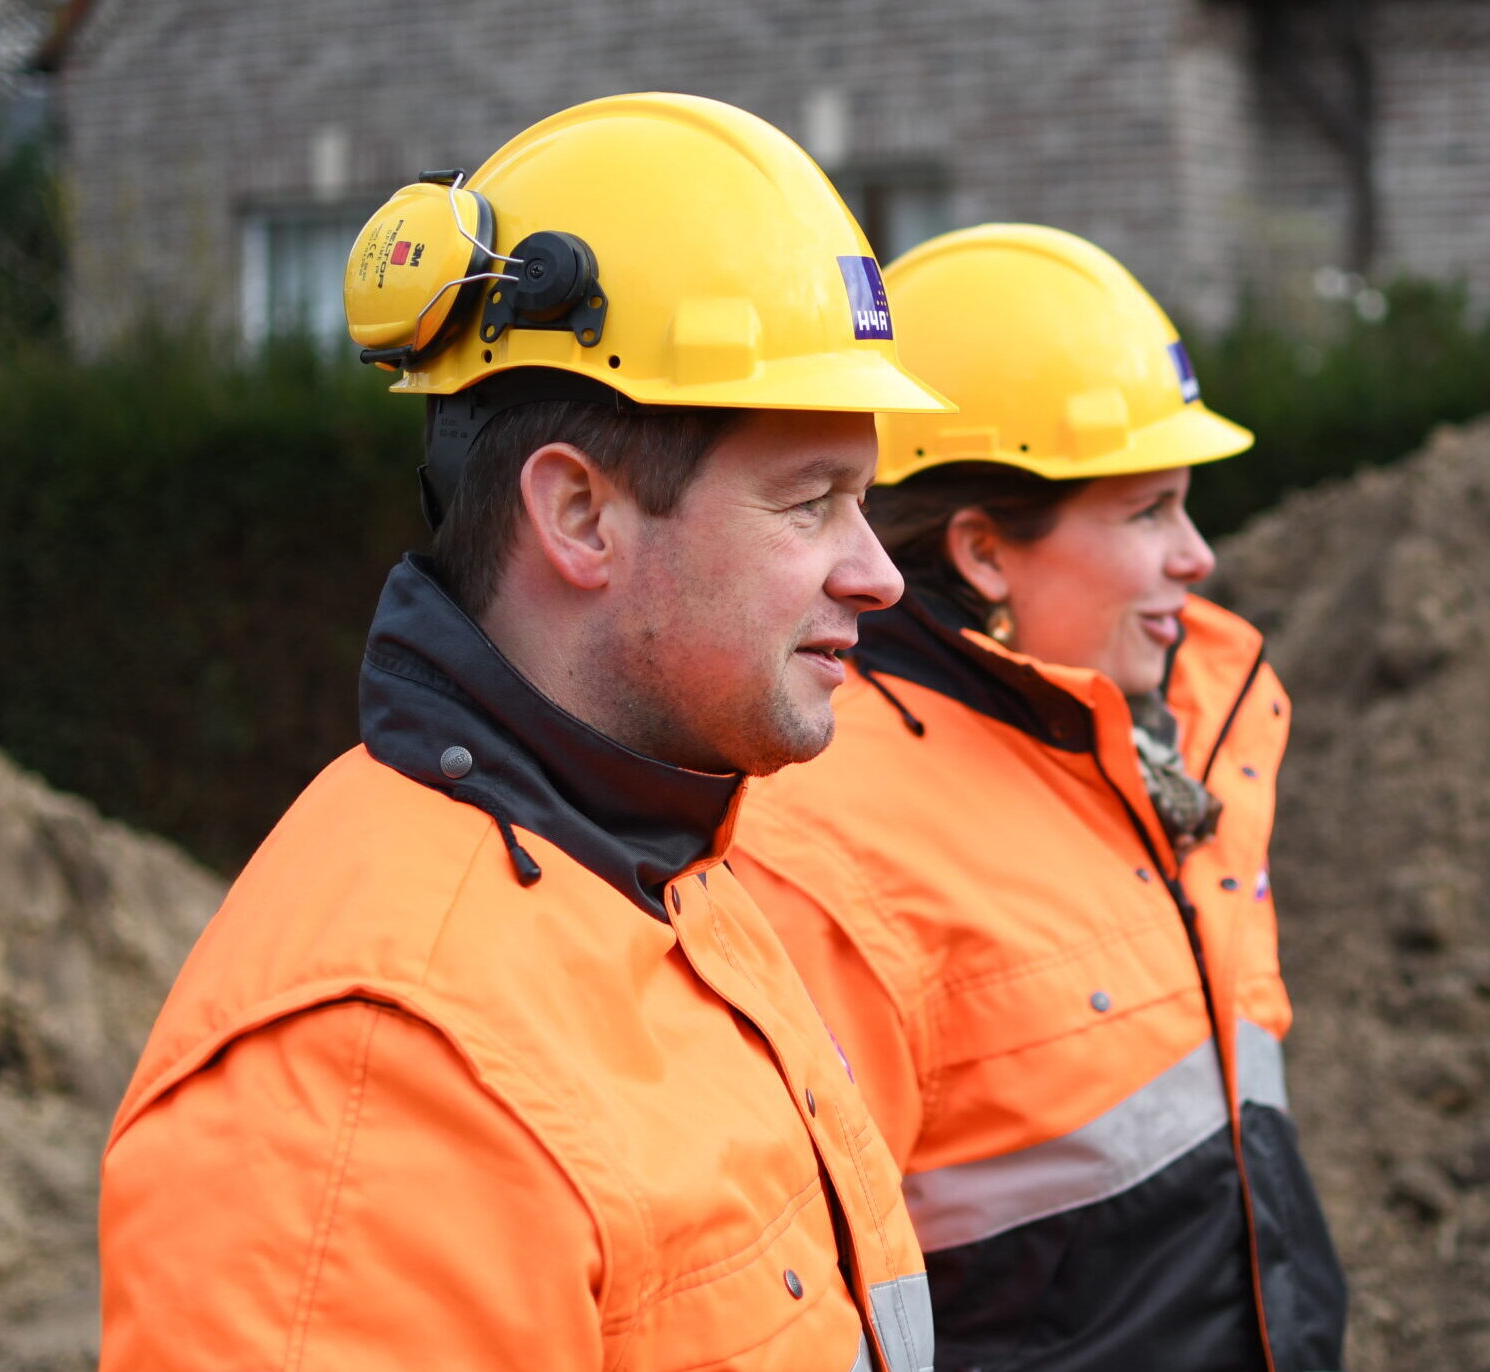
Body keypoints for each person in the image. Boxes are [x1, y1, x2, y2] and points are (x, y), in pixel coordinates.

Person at [97, 93, 950, 1372]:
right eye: (811, 502)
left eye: (864, 500)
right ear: (579, 515)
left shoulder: (665, 865)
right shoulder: (374, 1067)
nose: (880, 573)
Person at [732, 224, 1349, 1372]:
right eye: (1148, 511)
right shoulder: (826, 836)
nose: (1198, 555)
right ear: (984, 552)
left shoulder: (1181, 741)